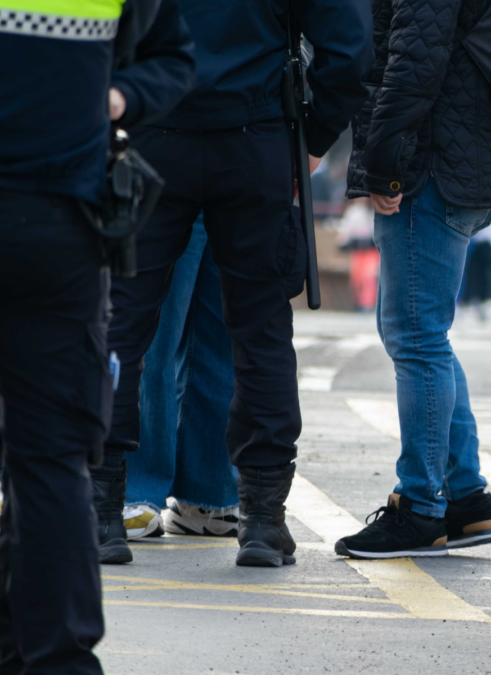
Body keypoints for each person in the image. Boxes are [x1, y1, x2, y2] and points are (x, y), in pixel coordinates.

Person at [94, 0, 373, 567]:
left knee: (120, 323)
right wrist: (312, 138)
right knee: (262, 330)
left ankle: (102, 513)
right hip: (256, 138)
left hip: (151, 132)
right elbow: (350, 50)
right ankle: (263, 523)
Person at [0, 0, 194, 669]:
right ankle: (54, 658)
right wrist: (118, 95)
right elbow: (173, 58)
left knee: (50, 461)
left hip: (60, 225)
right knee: (52, 461)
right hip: (64, 230)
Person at [335, 0, 491, 560]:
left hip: (428, 166)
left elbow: (414, 60)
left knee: (417, 338)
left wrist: (382, 160)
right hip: (461, 158)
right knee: (423, 335)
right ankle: (464, 498)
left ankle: (421, 508)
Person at [123, 214, 240, 540]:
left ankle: (138, 494)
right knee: (218, 341)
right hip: (239, 181)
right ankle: (211, 499)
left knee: (156, 338)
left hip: (178, 183)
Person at [463, 212, 491, 322]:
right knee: (476, 276)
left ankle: (480, 303)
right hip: (478, 244)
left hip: (487, 246)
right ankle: (474, 302)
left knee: (482, 277)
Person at [338, 197, 380, 312]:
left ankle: (369, 305)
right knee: (358, 279)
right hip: (358, 252)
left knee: (370, 276)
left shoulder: (376, 210)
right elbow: (343, 239)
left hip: (373, 253)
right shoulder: (354, 212)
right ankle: (361, 304)